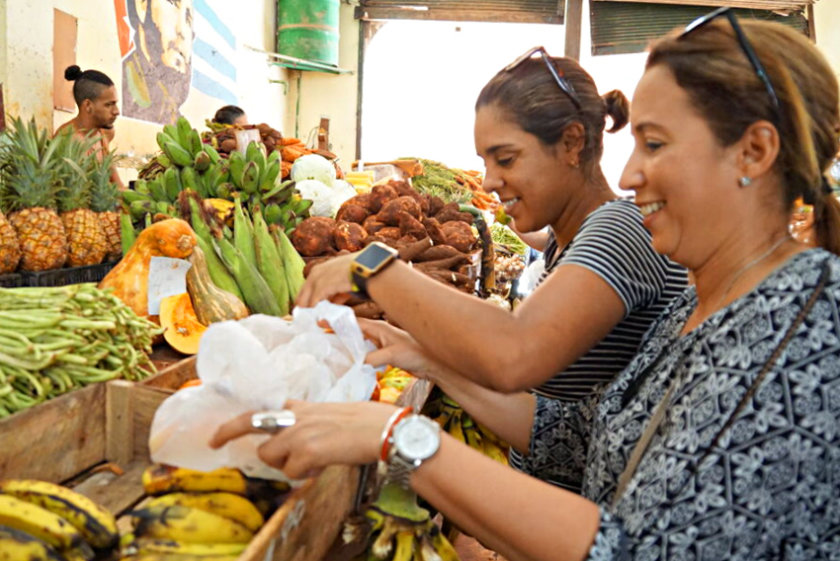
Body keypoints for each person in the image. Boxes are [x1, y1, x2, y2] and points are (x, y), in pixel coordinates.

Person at [212, 11, 840, 560]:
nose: (630, 170)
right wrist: (424, 359)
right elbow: (578, 440)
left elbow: (634, 547)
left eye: (654, 143)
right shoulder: (705, 307)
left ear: (754, 152)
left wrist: (399, 437)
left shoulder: (802, 333)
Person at [296, 49, 687, 492]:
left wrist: (374, 270)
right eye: (484, 161)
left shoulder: (620, 230)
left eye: (505, 159)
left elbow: (513, 352)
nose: (487, 181)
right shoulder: (569, 240)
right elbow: (559, 432)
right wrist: (421, 357)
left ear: (573, 143)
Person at [122, 0, 194, 124]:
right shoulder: (123, 85)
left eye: (188, 18)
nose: (181, 31)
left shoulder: (175, 116)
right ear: (142, 6)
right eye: (172, 4)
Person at [55, 65, 125, 190]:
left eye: (115, 103)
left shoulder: (104, 133)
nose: (116, 111)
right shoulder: (68, 140)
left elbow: (118, 185)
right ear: (88, 105)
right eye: (109, 105)